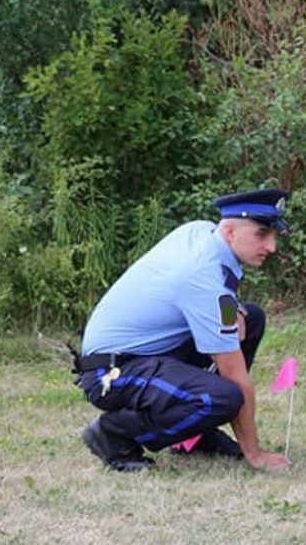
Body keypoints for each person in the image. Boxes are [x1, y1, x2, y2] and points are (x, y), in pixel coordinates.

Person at [72, 189, 293, 472]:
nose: (272, 246)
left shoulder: (201, 232)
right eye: (261, 234)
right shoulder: (202, 279)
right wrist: (255, 454)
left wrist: (233, 307)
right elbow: (235, 376)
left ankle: (194, 435)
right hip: (111, 374)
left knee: (252, 319)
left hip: (141, 354)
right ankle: (114, 434)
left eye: (274, 235)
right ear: (229, 232)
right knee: (225, 396)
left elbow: (212, 290)